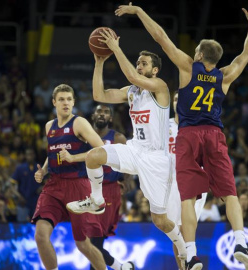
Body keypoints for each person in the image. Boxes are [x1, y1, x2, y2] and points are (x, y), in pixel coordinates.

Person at [115, 3, 248, 269]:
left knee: (188, 196)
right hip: (214, 132)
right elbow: (245, 55)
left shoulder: (189, 68)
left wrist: (140, 12)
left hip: (189, 134)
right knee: (230, 193)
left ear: (199, 54)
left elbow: (161, 38)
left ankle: (191, 252)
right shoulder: (226, 75)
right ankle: (240, 240)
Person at [67, 35, 187, 265]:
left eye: (144, 63)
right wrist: (99, 63)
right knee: (94, 156)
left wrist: (116, 48)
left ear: (155, 71)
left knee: (160, 221)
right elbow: (99, 95)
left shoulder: (160, 88)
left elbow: (132, 75)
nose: (139, 66)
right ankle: (96, 199)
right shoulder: (132, 91)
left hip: (156, 159)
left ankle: (183, 248)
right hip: (135, 149)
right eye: (138, 62)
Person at [31, 84, 108, 270]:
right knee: (40, 235)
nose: (66, 103)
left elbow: (102, 150)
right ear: (54, 103)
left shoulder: (79, 123)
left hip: (78, 185)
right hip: (54, 186)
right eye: (61, 99)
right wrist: (44, 171)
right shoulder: (49, 126)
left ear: (73, 102)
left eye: (69, 99)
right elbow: (53, 154)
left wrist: (74, 157)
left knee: (83, 245)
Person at [89, 104, 135, 270]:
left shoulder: (118, 138)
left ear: (111, 118)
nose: (102, 114)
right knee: (89, 243)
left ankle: (120, 267)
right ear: (93, 115)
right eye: (99, 111)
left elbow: (128, 162)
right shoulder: (83, 136)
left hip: (108, 191)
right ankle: (121, 267)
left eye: (106, 112)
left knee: (94, 242)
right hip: (86, 190)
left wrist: (125, 180)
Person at [167, 92, 207, 269]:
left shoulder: (200, 124)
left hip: (192, 179)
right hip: (170, 182)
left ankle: (190, 263)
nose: (178, 102)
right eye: (175, 99)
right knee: (175, 231)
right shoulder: (162, 125)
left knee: (186, 230)